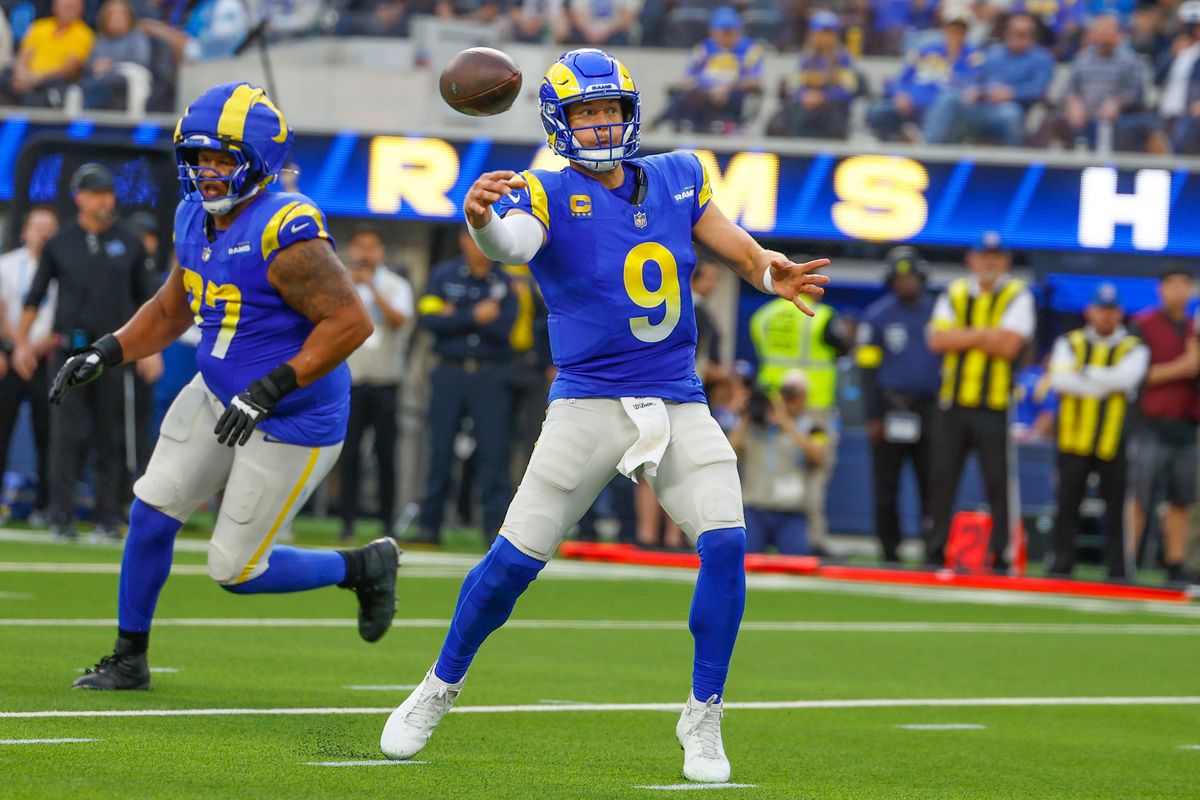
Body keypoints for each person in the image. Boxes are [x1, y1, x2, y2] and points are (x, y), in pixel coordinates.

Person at [379, 48, 829, 784]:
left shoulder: (679, 175)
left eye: (610, 110)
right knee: (513, 562)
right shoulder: (543, 190)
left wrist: (766, 268)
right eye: (586, 113)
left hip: (678, 396)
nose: (601, 125)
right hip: (588, 401)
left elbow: (741, 251)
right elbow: (514, 244)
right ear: (561, 123)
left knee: (724, 541)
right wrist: (482, 220)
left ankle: (704, 712)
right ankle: (438, 685)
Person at [47, 82, 398, 691]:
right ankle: (129, 657)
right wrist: (106, 350)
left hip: (292, 415)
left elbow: (351, 323)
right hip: (218, 395)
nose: (205, 172)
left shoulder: (285, 231)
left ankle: (362, 565)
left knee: (235, 569)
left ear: (257, 160)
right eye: (197, 158)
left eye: (220, 158)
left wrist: (269, 388)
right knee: (152, 510)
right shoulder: (192, 216)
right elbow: (173, 307)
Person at [12, 164, 157, 541]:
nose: (104, 201)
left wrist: (151, 349)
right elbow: (36, 296)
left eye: (108, 193)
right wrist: (23, 343)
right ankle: (61, 515)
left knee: (110, 435)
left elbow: (149, 302)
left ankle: (107, 516)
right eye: (96, 194)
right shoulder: (60, 243)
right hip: (69, 352)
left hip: (113, 353)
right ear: (80, 197)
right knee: (66, 435)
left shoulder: (129, 242)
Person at [925, 232, 1035, 571]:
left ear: (1006, 262)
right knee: (942, 478)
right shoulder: (956, 291)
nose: (989, 261)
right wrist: (988, 333)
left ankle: (1001, 554)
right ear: (971, 259)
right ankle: (934, 550)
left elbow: (1009, 346)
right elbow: (937, 340)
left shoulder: (1017, 294)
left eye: (996, 256)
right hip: (954, 402)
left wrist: (963, 335)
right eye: (984, 255)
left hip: (995, 404)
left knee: (998, 482)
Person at [414, 228, 517, 546]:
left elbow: (505, 328)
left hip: (490, 374)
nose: (477, 245)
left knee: (494, 453)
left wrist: (455, 316)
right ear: (462, 240)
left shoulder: (505, 280)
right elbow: (429, 319)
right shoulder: (443, 275)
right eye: (472, 238)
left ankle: (494, 529)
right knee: (440, 449)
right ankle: (429, 526)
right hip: (450, 371)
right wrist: (474, 315)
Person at [1047, 283, 1148, 579]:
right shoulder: (1069, 341)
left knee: (1116, 507)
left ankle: (1118, 568)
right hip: (1073, 437)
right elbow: (1061, 381)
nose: (1106, 316)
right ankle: (1061, 564)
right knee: (1066, 504)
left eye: (1112, 310)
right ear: (1089, 311)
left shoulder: (1134, 346)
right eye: (1102, 309)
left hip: (1114, 439)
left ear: (1120, 313)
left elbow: (1127, 379)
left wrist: (1085, 373)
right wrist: (1106, 382)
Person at [749, 281, 850, 557]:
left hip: (771, 404)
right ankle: (814, 540)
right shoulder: (822, 316)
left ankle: (760, 531)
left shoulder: (763, 316)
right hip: (813, 406)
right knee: (816, 473)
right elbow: (844, 348)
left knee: (759, 466)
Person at [855, 246, 941, 564]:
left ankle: (934, 549)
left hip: (930, 410)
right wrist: (872, 415)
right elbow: (866, 371)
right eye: (900, 278)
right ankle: (889, 550)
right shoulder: (877, 317)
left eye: (911, 276)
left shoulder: (939, 314)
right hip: (890, 408)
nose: (906, 282)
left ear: (922, 277)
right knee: (886, 486)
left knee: (933, 484)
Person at [340, 224, 413, 541]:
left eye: (372, 247)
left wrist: (372, 287)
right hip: (351, 379)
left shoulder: (397, 284)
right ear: (351, 249)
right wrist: (353, 287)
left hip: (385, 380)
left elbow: (399, 320)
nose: (366, 253)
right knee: (349, 453)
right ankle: (346, 523)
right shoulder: (340, 282)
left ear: (381, 251)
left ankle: (386, 522)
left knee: (385, 453)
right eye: (360, 246)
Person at [1127, 269, 1199, 584]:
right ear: (1161, 289)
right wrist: (1179, 368)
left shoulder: (1193, 329)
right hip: (1150, 423)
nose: (1179, 290)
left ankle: (1176, 564)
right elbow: (1133, 375)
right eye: (1173, 284)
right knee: (1139, 496)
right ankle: (1127, 560)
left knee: (1181, 499)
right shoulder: (1143, 325)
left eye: (1185, 284)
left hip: (1186, 423)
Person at [0, 206, 59, 524]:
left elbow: (64, 316)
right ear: (24, 232)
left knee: (48, 435)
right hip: (9, 358)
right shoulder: (6, 266)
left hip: (47, 359)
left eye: (50, 227)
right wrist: (18, 346)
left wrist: (35, 348)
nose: (44, 233)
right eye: (38, 227)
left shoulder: (64, 270)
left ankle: (44, 505)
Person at [729, 370, 827, 555]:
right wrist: (745, 417)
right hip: (755, 508)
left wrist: (786, 423)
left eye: (795, 396)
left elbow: (819, 456)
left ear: (804, 398)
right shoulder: (755, 426)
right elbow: (728, 452)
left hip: (791, 511)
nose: (790, 401)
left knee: (799, 561)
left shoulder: (813, 428)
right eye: (786, 395)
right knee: (743, 559)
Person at [922, 12, 1054, 146]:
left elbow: (1039, 88)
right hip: (981, 104)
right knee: (949, 97)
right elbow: (976, 76)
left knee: (1011, 114)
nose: (1014, 37)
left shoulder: (1041, 57)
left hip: (1009, 107)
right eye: (1011, 32)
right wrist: (974, 89)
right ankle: (929, 145)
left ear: (1031, 37)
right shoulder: (994, 52)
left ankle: (1012, 156)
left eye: (1020, 34)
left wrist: (1011, 93)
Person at [867, 6, 982, 142]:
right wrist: (901, 94)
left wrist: (954, 59)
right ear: (944, 29)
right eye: (952, 30)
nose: (955, 35)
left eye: (960, 31)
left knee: (945, 110)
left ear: (966, 33)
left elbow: (971, 86)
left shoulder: (972, 56)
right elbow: (901, 78)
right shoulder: (926, 49)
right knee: (876, 112)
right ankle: (900, 138)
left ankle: (924, 142)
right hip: (911, 104)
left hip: (937, 111)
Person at [1032, 14, 1145, 150]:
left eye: (1108, 32)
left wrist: (1118, 102)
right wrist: (1073, 102)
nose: (1104, 37)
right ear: (1093, 35)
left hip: (1114, 117)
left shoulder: (1129, 60)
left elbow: (1136, 92)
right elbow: (1068, 89)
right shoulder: (1082, 58)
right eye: (1101, 32)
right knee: (1050, 123)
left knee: (1111, 126)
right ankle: (1035, 161)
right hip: (1081, 115)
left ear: (1118, 35)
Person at [652, 6, 765, 134]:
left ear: (738, 31)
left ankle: (660, 120)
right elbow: (688, 77)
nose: (725, 36)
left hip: (733, 96)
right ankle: (679, 123)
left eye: (729, 32)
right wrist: (704, 87)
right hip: (704, 93)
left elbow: (755, 81)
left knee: (692, 100)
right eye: (722, 32)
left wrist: (728, 87)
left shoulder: (750, 50)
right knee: (685, 95)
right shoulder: (704, 48)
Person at [766, 10, 862, 140]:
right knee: (789, 116)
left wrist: (824, 96)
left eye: (828, 33)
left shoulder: (843, 59)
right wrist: (804, 96)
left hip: (832, 108)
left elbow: (849, 90)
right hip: (806, 106)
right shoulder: (806, 58)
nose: (824, 38)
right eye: (820, 33)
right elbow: (796, 85)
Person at [0, 0, 93, 106]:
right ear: (54, 7)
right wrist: (21, 75)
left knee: (45, 92)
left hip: (51, 81)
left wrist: (36, 78)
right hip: (26, 76)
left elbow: (69, 68)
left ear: (81, 9)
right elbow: (24, 55)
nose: (67, 10)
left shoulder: (84, 35)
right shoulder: (39, 26)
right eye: (64, 6)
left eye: (71, 7)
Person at [76, 0, 153, 109]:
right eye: (112, 14)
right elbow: (89, 63)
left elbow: (141, 60)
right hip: (98, 80)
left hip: (125, 81)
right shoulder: (101, 41)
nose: (118, 18)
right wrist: (96, 66)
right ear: (104, 19)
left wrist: (112, 65)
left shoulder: (136, 37)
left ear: (129, 18)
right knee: (79, 88)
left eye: (122, 14)